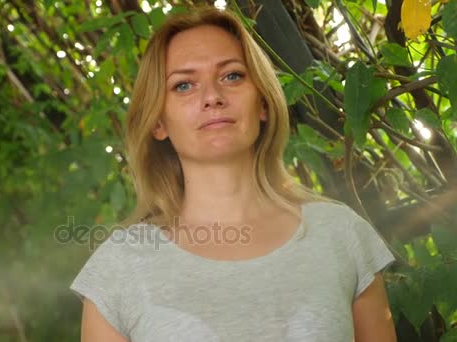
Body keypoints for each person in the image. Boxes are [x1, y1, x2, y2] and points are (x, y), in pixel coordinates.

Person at [70, 5, 397, 342]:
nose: (212, 97)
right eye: (183, 85)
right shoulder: (119, 268)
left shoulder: (341, 236)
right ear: (157, 122)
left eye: (232, 76)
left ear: (264, 103)